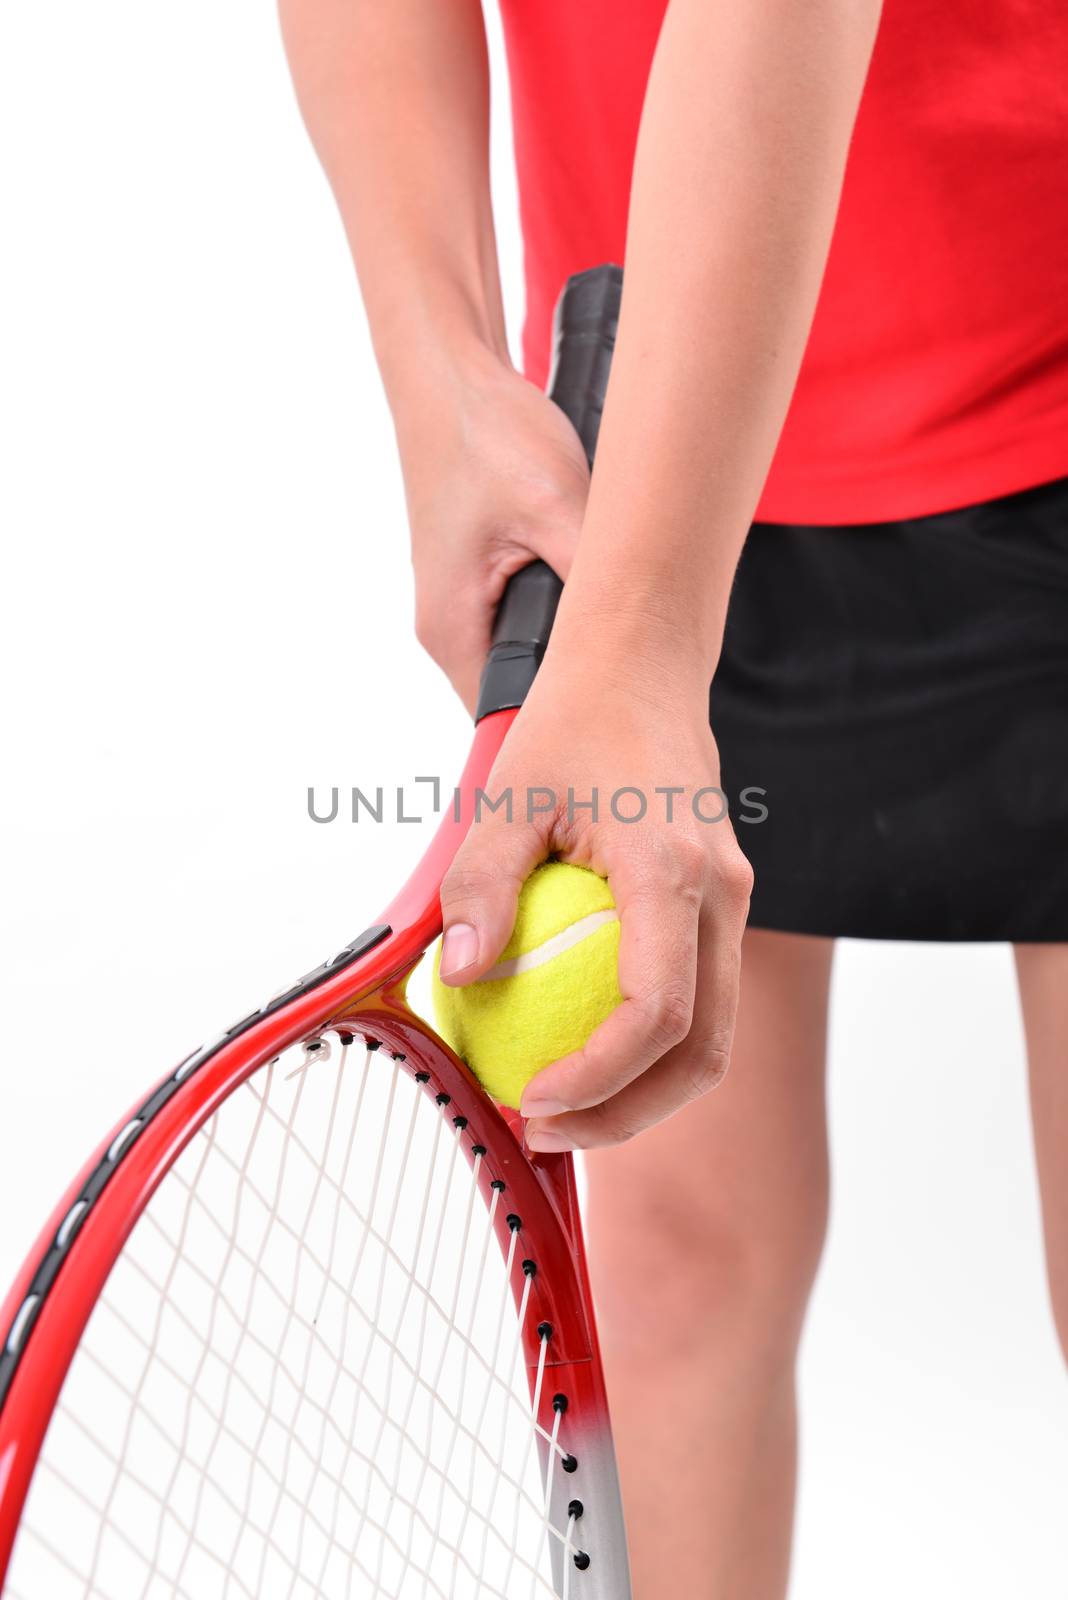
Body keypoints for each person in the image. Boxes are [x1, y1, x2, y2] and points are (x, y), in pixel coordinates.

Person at [279, 1, 1068, 1593]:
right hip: (654, 398)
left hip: (1028, 327)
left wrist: (639, 624)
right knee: (674, 1275)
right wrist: (445, 376)